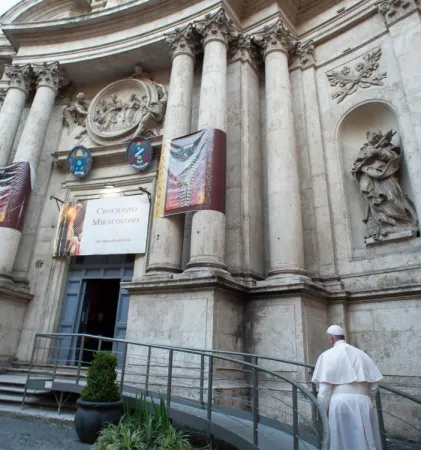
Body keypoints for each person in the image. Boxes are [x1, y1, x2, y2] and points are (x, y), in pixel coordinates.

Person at [312, 325, 383, 450]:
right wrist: (366, 400)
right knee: (366, 441)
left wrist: (322, 414)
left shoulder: (327, 355)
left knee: (343, 442)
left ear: (330, 339)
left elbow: (324, 392)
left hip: (340, 403)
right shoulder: (362, 354)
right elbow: (374, 386)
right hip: (364, 402)